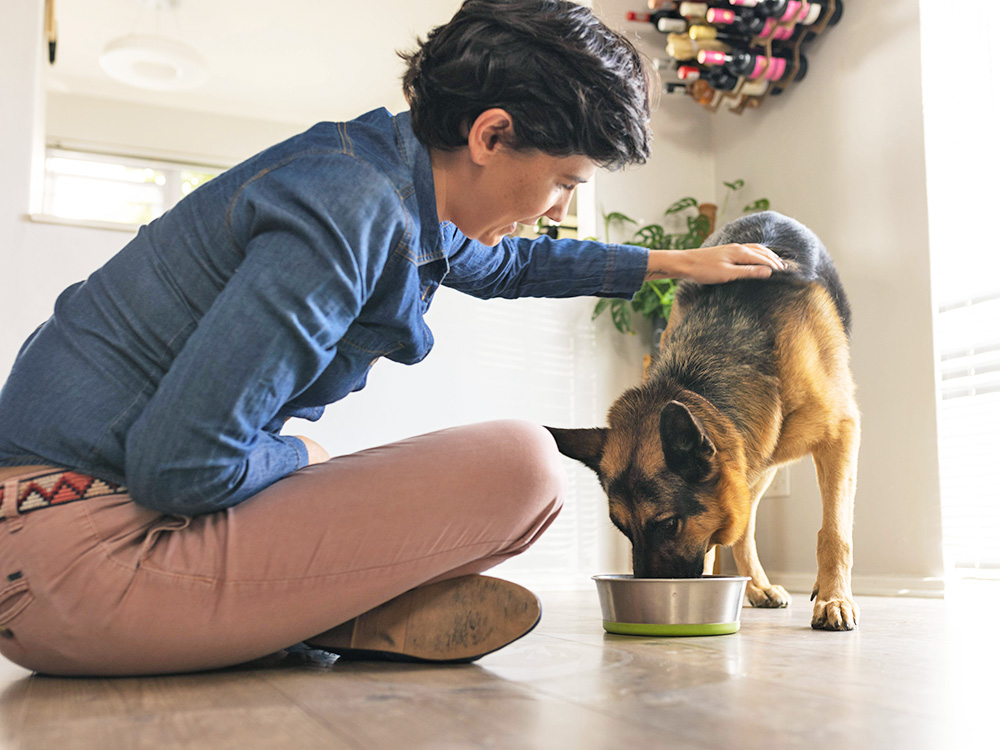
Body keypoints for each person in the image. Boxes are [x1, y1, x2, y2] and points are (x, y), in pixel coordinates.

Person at [0, 0, 783, 676]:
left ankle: (309, 617)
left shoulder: (387, 176)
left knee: (487, 471)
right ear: (492, 134)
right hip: (72, 561)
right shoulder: (348, 213)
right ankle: (326, 615)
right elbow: (181, 468)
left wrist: (668, 261)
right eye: (566, 182)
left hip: (77, 538)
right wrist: (302, 457)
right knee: (528, 466)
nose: (554, 209)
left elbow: (506, 264)